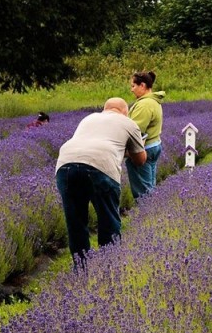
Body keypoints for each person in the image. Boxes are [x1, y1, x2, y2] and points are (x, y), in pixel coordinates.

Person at [55, 98, 147, 266]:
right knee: (108, 220)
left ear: (105, 109)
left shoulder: (88, 118)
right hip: (101, 168)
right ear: (124, 111)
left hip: (65, 165)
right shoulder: (129, 123)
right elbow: (140, 160)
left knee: (76, 222)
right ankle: (108, 269)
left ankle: (82, 271)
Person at [126, 70, 165, 199]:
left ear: (142, 85)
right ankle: (152, 212)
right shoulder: (153, 101)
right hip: (154, 145)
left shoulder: (144, 105)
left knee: (144, 192)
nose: (132, 90)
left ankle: (149, 214)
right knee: (150, 186)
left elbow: (134, 131)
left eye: (133, 86)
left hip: (144, 149)